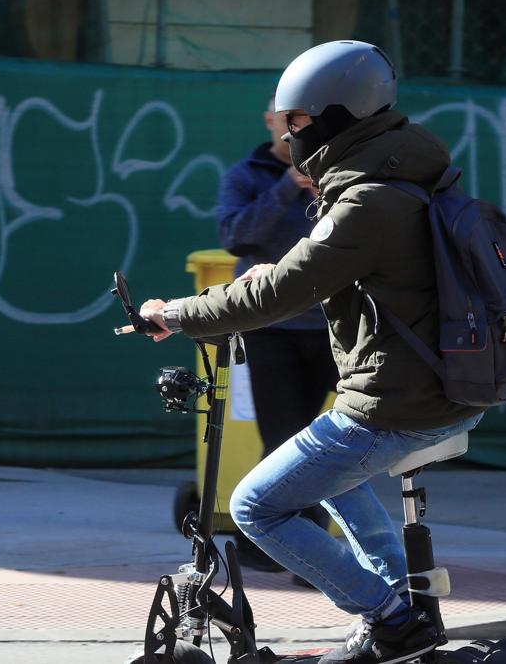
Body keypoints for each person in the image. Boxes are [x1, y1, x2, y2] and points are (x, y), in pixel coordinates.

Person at [137, 41, 485, 664]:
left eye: (297, 121)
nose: (290, 133)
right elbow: (360, 282)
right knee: (330, 476)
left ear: (335, 117)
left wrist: (175, 314)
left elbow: (277, 295)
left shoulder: (366, 199)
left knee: (255, 507)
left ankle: (392, 617)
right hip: (444, 390)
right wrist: (286, 270)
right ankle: (402, 611)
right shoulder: (411, 176)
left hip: (396, 401)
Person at [216, 97, 340, 576]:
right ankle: (294, 547)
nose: (292, 131)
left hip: (332, 327)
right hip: (271, 330)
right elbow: (236, 236)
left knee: (339, 440)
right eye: (283, 120)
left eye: (300, 122)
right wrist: (289, 186)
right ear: (270, 122)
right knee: (286, 440)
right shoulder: (246, 176)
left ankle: (306, 547)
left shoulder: (338, 174)